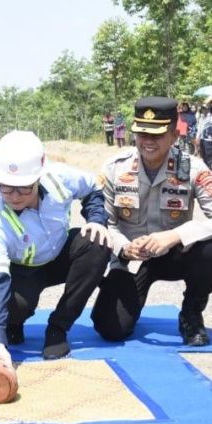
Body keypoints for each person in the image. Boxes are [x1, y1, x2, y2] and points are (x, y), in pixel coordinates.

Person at [0, 131, 111, 366]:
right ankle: (13, 324)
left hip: (60, 254)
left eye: (24, 188)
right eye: (6, 188)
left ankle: (58, 327)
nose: (15, 196)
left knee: (97, 242)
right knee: (11, 312)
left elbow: (93, 189)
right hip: (23, 271)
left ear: (39, 177)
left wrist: (96, 220)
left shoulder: (58, 176)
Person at [91, 96, 212, 347]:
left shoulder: (194, 169)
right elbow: (105, 224)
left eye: (156, 135)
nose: (148, 141)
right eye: (142, 133)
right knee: (111, 329)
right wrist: (124, 247)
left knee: (209, 249)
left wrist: (176, 236)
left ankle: (191, 314)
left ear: (173, 136)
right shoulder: (115, 168)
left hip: (177, 253)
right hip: (134, 258)